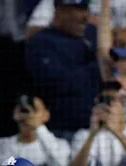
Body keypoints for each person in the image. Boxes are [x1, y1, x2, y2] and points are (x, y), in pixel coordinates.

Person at [24, 0, 99, 134]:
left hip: (97, 129)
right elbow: (57, 84)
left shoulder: (92, 35)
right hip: (61, 130)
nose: (85, 16)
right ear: (59, 11)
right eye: (78, 10)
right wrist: (97, 68)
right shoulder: (41, 42)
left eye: (85, 9)